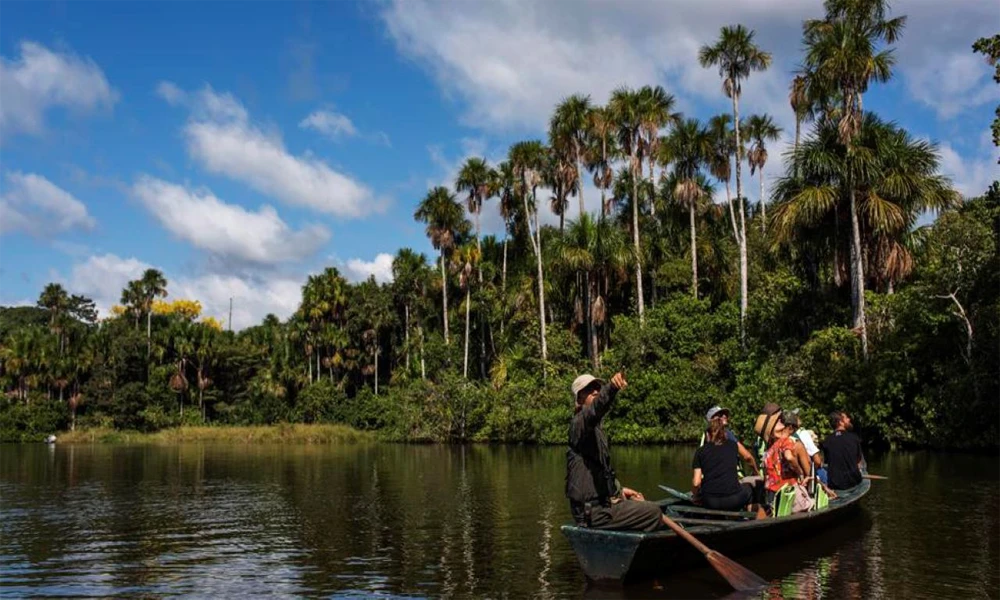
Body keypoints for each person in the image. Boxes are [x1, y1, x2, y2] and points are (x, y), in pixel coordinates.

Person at [565, 371, 666, 531]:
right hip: (592, 513)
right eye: (589, 389)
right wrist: (611, 388)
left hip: (600, 505)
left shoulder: (595, 429)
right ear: (579, 398)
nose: (596, 391)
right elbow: (596, 409)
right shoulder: (579, 423)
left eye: (598, 387)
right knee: (653, 512)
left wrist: (619, 492)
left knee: (646, 505)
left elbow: (598, 472)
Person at [692, 419, 755, 511]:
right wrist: (756, 471)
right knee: (749, 489)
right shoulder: (733, 446)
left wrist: (695, 496)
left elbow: (696, 482)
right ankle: (749, 515)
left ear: (707, 434)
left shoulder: (700, 451)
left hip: (710, 502)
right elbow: (748, 457)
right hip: (733, 500)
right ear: (724, 433)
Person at [761, 412, 803, 516]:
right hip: (784, 490)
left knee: (773, 515)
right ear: (791, 428)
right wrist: (799, 471)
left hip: (770, 490)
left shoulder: (771, 446)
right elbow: (789, 457)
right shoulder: (786, 441)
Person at [699, 406, 760, 477]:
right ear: (712, 419)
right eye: (720, 415)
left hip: (709, 478)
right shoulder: (726, 434)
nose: (724, 416)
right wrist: (756, 473)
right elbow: (747, 457)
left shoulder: (705, 435)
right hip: (733, 478)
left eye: (725, 414)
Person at [821, 410, 865, 490]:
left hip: (835, 484)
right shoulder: (854, 438)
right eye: (846, 418)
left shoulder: (826, 441)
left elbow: (827, 462)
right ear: (840, 422)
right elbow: (859, 462)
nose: (849, 419)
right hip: (853, 482)